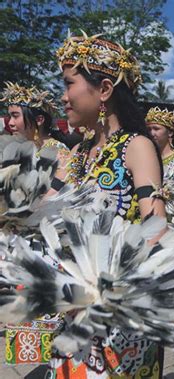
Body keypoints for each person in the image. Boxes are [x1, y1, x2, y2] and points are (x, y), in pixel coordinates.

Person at [48, 31, 168, 378]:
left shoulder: (137, 147)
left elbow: (155, 229)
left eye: (69, 84)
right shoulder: (78, 154)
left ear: (103, 90)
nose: (64, 97)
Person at [1, 82, 69, 366]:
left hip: (51, 249)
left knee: (56, 336)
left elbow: (46, 199)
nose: (9, 121)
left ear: (38, 119)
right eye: (9, 115)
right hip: (17, 245)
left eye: (16, 115)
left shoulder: (61, 153)